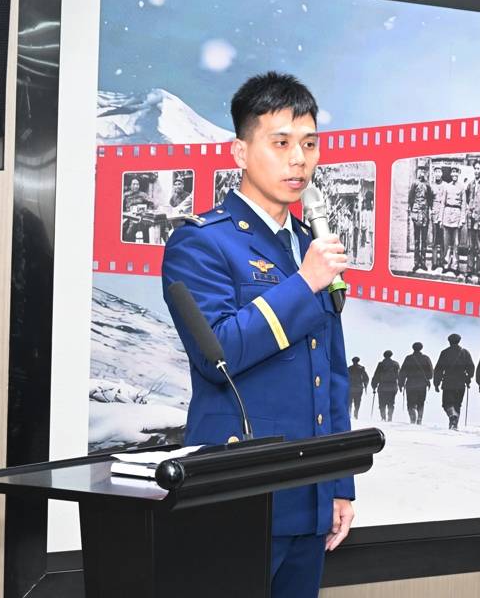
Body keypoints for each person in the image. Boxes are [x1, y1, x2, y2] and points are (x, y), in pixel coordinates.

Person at [161, 72, 353, 598]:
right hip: (237, 494)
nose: (299, 160)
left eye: (309, 144)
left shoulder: (310, 245)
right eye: (281, 143)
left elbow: (331, 373)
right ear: (240, 152)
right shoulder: (201, 243)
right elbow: (218, 354)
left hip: (310, 498)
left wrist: (338, 484)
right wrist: (304, 284)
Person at [433, 333, 475, 430]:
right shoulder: (465, 352)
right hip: (461, 382)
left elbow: (438, 369)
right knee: (457, 404)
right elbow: (471, 367)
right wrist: (468, 378)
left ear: (449, 341)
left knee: (447, 404)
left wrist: (436, 383)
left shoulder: (444, 353)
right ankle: (454, 425)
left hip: (448, 382)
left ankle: (452, 416)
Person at [398, 342, 433, 425]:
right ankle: (419, 420)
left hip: (411, 384)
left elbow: (402, 372)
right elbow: (431, 374)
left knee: (411, 403)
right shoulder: (426, 358)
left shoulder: (408, 358)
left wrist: (400, 384)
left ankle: (413, 417)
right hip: (422, 384)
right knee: (421, 403)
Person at [407, 166, 434, 273]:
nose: (422, 173)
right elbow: (410, 198)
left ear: (426, 173)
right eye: (420, 171)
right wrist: (412, 212)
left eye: (423, 171)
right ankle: (416, 262)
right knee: (417, 239)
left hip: (425, 214)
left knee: (424, 239)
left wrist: (430, 210)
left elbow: (430, 199)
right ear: (417, 172)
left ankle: (423, 262)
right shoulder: (414, 184)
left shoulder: (428, 185)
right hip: (416, 214)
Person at [371, 350, 400, 421]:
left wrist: (374, 386)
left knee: (382, 403)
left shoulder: (381, 364)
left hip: (382, 386)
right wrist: (401, 385)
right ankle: (390, 417)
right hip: (392, 386)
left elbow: (376, 375)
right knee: (391, 403)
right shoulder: (396, 364)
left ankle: (383, 417)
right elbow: (399, 375)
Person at [122, 177, 154, 243]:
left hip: (140, 218)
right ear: (130, 185)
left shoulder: (143, 195)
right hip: (128, 217)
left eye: (137, 184)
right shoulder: (125, 195)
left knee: (145, 227)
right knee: (126, 232)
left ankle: (146, 245)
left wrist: (148, 210)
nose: (136, 186)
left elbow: (151, 203)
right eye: (134, 184)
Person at [429, 166, 446, 271]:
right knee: (435, 239)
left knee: (443, 240)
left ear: (442, 174)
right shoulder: (431, 186)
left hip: (443, 215)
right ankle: (434, 262)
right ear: (434, 174)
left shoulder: (445, 186)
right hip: (435, 215)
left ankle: (442, 262)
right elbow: (429, 201)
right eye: (436, 172)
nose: (438, 174)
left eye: (439, 172)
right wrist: (431, 211)